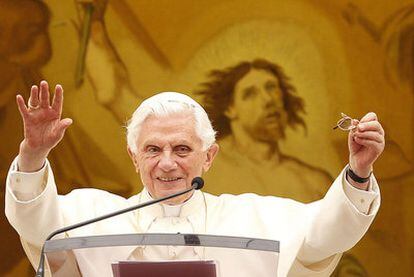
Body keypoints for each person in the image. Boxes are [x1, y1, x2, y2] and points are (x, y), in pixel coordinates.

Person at [5, 81, 384, 276]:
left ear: (209, 156)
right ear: (133, 157)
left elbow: (325, 234)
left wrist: (359, 172)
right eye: (153, 150)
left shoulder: (253, 219)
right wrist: (34, 155)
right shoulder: (93, 215)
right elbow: (36, 223)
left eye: (182, 150)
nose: (167, 164)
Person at [197, 59, 332, 202]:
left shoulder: (315, 183)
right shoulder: (203, 171)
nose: (268, 99)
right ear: (230, 109)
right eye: (250, 94)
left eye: (271, 88)